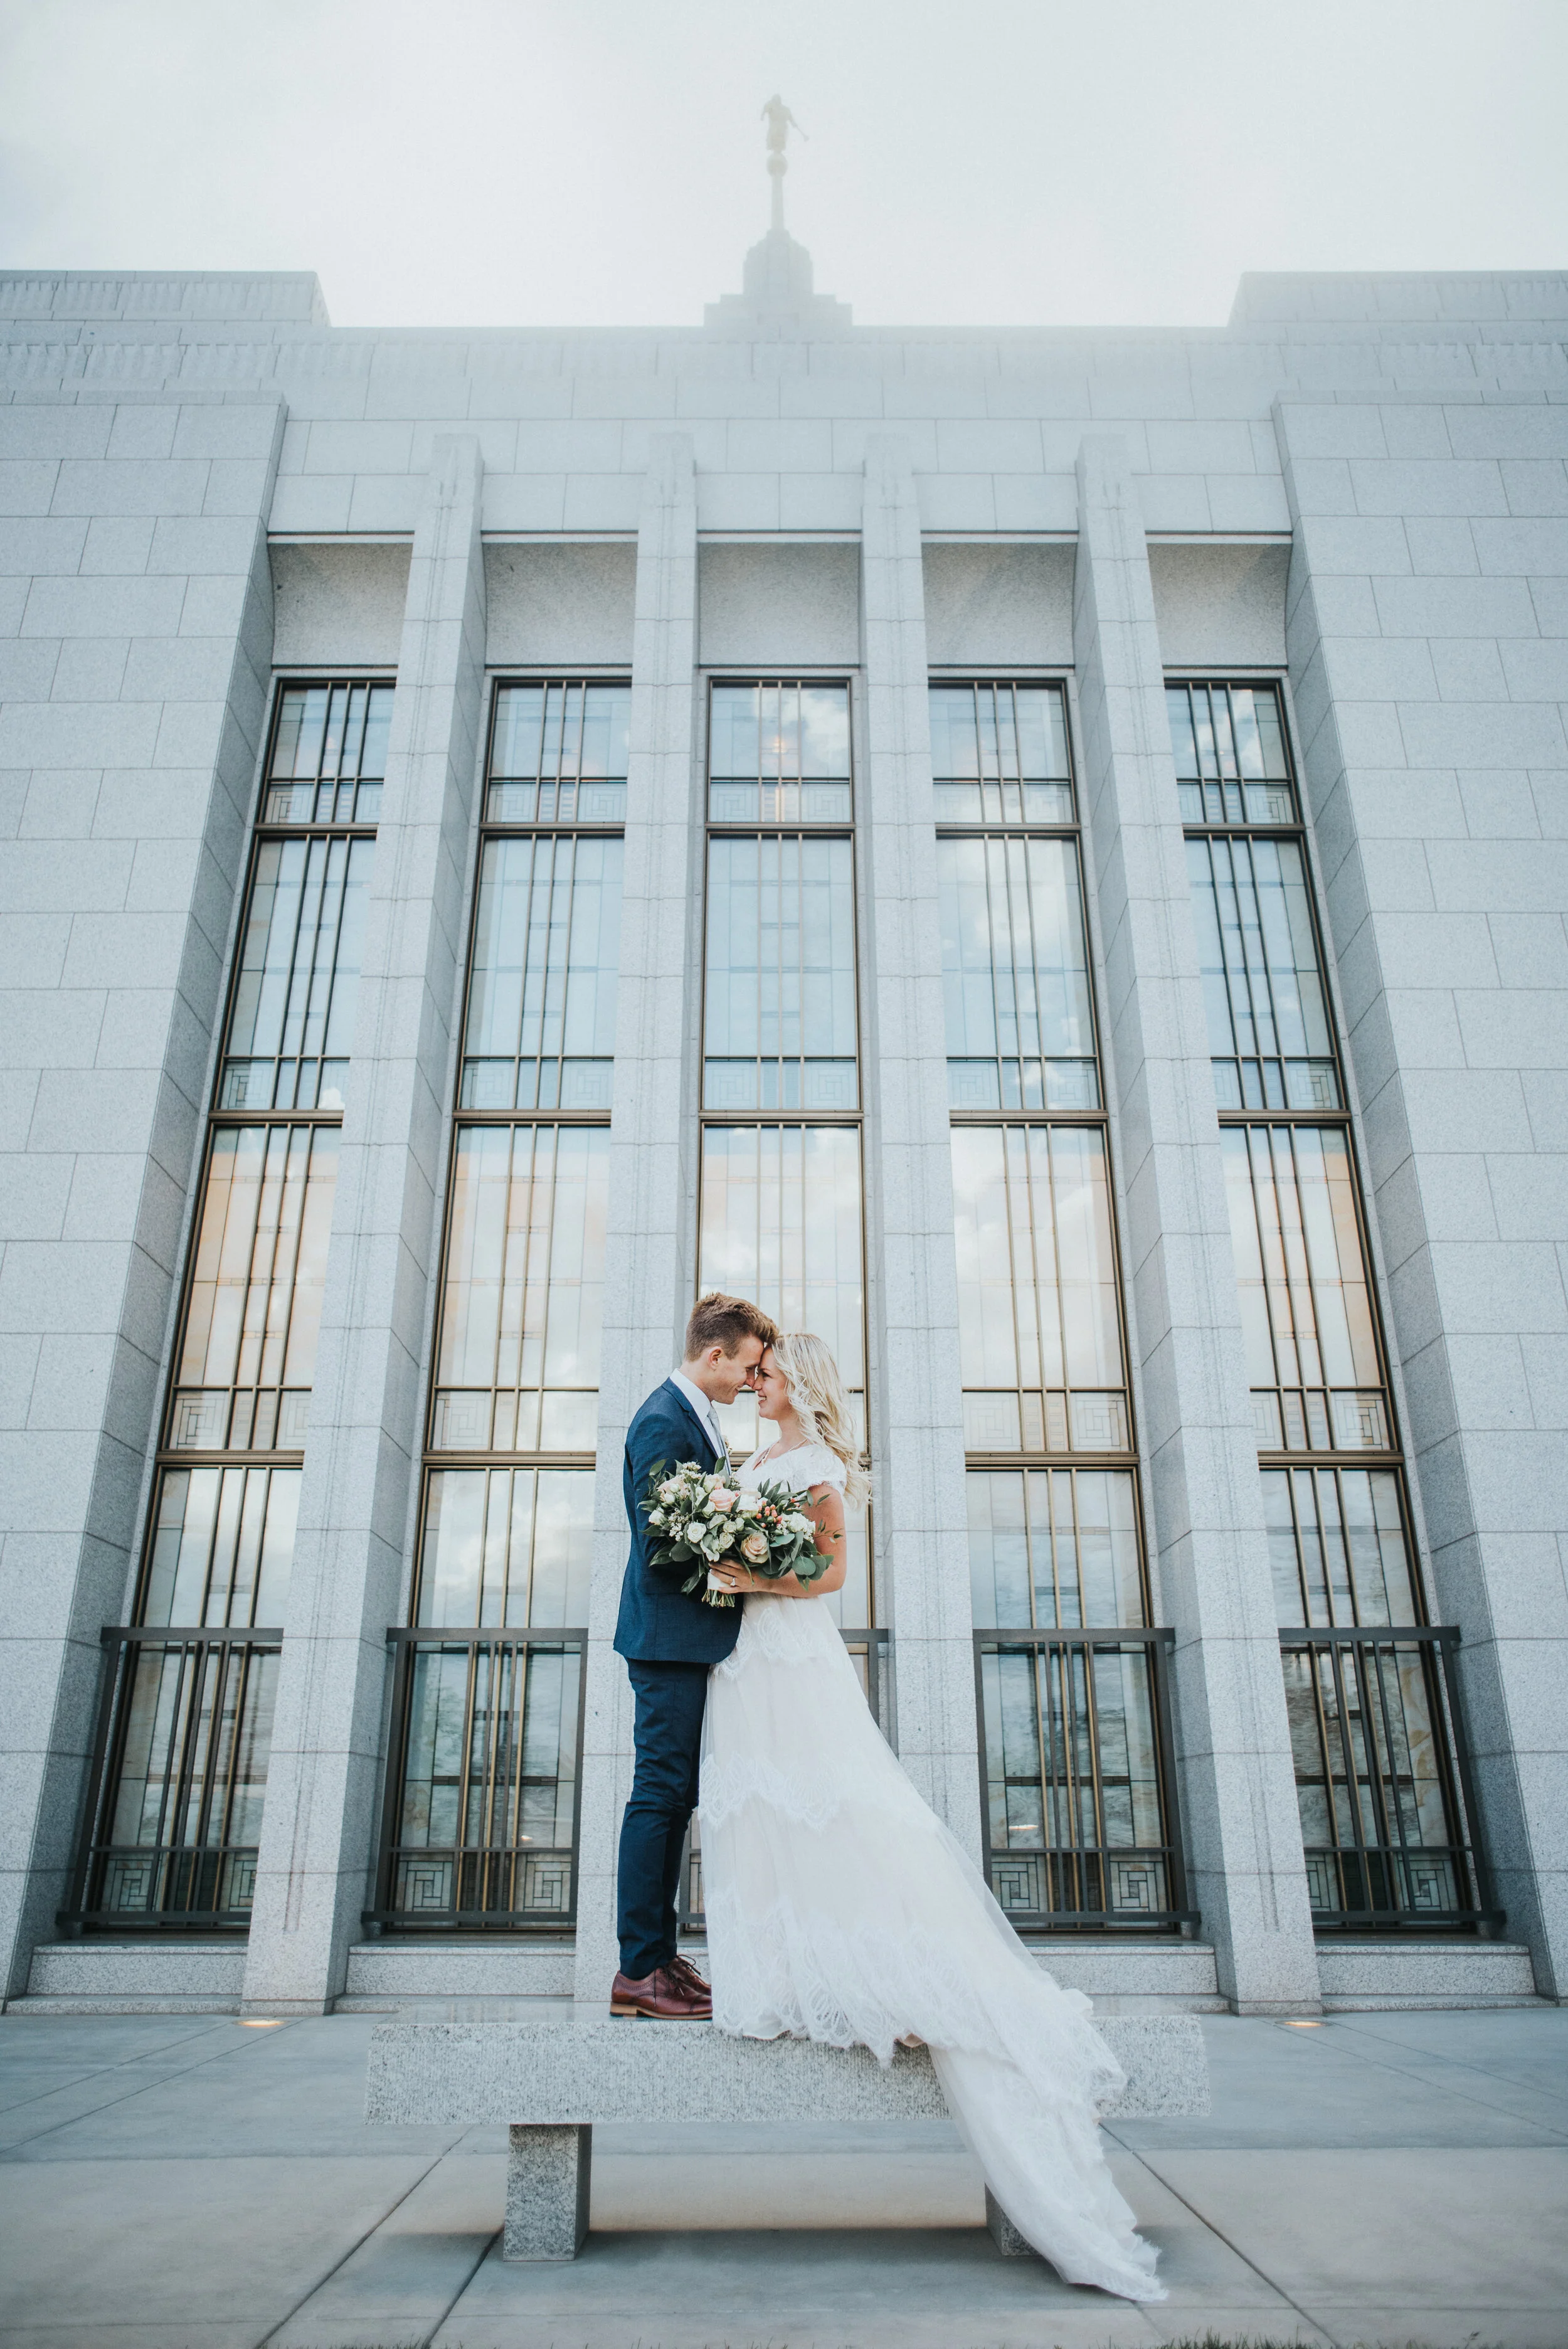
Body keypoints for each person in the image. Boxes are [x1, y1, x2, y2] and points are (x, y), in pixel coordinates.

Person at [699, 1330, 1165, 2303]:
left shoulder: (817, 1463)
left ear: (800, 1383)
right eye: (754, 1369)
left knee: (827, 1801)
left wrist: (753, 1577)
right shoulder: (758, 1455)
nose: (755, 1380)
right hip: (745, 1663)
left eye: (768, 1371)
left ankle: (891, 1970)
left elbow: (829, 1574)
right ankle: (780, 1970)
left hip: (793, 1652)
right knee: (760, 1804)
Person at [610, 1290, 778, 2021]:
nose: (751, 1380)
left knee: (675, 1796)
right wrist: (745, 1560)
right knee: (659, 1794)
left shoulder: (695, 1413)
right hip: (668, 1641)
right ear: (714, 1355)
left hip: (685, 1640)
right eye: (747, 1367)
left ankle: (660, 1955)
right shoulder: (661, 1418)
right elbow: (660, 1538)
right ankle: (638, 1970)